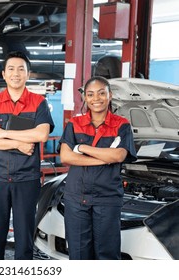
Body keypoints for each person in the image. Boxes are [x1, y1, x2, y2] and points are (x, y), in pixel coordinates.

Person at [0, 51, 54, 260]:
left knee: (25, 237)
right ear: (3, 74)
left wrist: (2, 134)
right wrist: (19, 143)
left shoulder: (38, 102)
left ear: (28, 74)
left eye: (21, 69)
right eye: (11, 69)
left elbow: (42, 133)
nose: (16, 73)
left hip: (27, 179)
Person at [58, 76, 137, 260]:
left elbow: (118, 155)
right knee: (78, 255)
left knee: (107, 255)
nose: (96, 98)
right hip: (76, 197)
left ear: (110, 95)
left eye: (102, 93)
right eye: (91, 94)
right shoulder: (74, 124)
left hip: (107, 197)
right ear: (85, 98)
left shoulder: (121, 125)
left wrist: (83, 148)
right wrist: (104, 158)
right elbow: (66, 156)